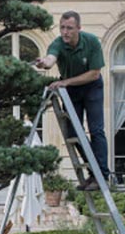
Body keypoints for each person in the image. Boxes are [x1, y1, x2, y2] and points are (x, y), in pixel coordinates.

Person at [34, 11, 109, 191]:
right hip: (72, 91)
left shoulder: (91, 42)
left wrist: (65, 82)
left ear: (78, 29)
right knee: (73, 133)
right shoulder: (58, 43)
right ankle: (93, 172)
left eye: (69, 28)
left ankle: (102, 176)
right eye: (62, 28)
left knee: (96, 130)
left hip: (92, 87)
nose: (65, 32)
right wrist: (43, 63)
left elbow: (94, 73)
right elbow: (51, 59)